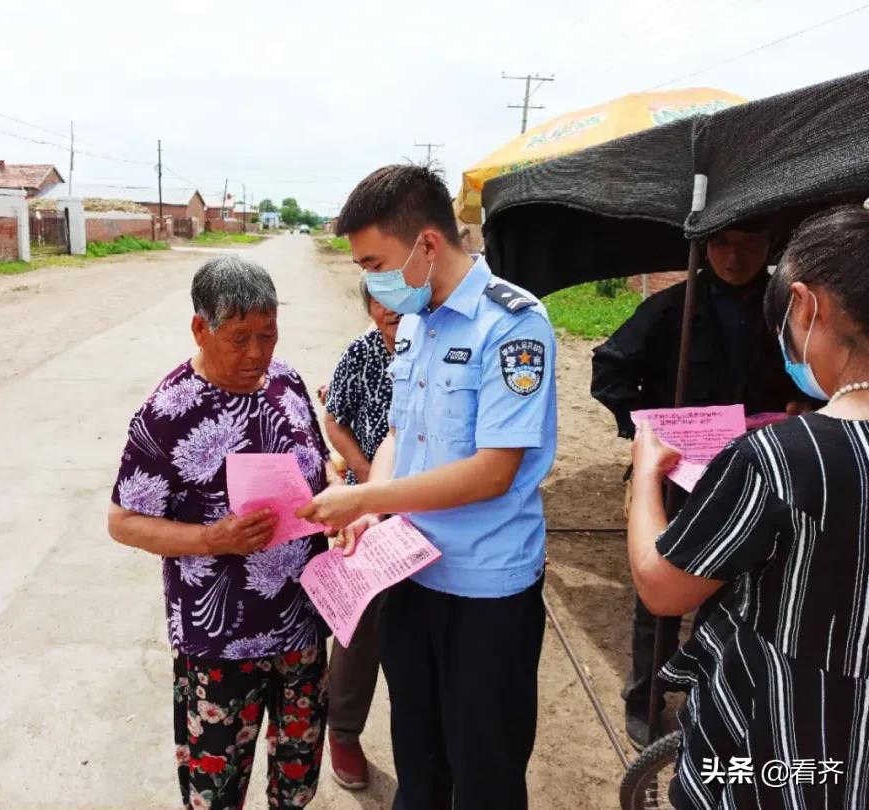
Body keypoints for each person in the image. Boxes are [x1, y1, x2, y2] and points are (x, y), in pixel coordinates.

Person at [297, 164, 557, 810]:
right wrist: (370, 511)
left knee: (485, 770)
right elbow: (396, 436)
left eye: (375, 261)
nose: (371, 281)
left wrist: (364, 499)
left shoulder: (513, 325)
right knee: (419, 756)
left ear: (428, 246)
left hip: (484, 594)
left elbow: (493, 470)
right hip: (410, 578)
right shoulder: (413, 323)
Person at [628, 203, 869, 808]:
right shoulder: (669, 309)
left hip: (775, 750)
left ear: (807, 307)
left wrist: (643, 480)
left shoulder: (779, 458)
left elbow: (662, 588)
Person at [107, 255, 339, 810]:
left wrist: (337, 497)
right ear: (199, 328)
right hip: (220, 645)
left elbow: (320, 461)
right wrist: (213, 539)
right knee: (216, 789)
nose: (256, 353)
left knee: (297, 776)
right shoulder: (167, 412)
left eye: (268, 334)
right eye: (239, 338)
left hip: (302, 629)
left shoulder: (284, 381)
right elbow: (123, 522)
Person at [591, 221, 805, 749]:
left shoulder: (787, 313)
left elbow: (815, 377)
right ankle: (644, 697)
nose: (735, 256)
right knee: (659, 591)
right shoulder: (672, 308)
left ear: (769, 245)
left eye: (751, 241)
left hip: (753, 476)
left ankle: (707, 698)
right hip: (676, 478)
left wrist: (805, 410)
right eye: (722, 243)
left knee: (731, 593)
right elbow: (609, 369)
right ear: (705, 247)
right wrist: (648, 428)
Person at [320, 279, 400, 789]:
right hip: (368, 498)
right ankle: (343, 731)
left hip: (431, 505)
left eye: (399, 294)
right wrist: (367, 478)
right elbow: (334, 419)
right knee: (360, 619)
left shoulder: (437, 345)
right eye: (378, 298)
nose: (390, 309)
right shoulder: (363, 352)